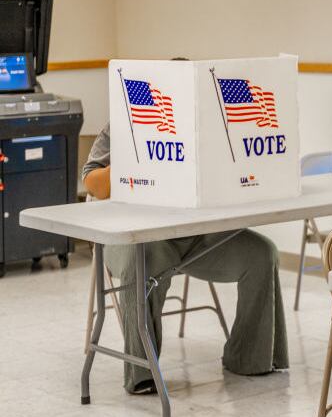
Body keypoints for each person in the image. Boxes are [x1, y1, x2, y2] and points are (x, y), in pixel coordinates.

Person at [82, 124, 289, 394]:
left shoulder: (202, 119)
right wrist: (140, 158)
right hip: (130, 235)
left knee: (261, 253)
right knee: (141, 262)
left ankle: (250, 357)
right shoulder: (123, 120)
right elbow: (93, 184)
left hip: (193, 233)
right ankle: (142, 372)